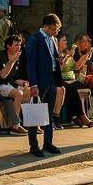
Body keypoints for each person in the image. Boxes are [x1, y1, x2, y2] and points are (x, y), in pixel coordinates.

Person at [24, 14, 63, 157]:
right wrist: (33, 84)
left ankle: (48, 142)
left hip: (52, 79)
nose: (55, 32)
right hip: (39, 82)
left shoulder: (53, 39)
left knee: (49, 113)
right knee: (35, 114)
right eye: (53, 29)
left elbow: (52, 58)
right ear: (46, 27)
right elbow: (31, 63)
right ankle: (34, 145)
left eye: (57, 30)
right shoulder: (34, 39)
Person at [0, 34, 37, 133]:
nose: (19, 47)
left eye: (20, 45)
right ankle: (14, 125)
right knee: (19, 94)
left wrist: (24, 82)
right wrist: (12, 61)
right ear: (8, 46)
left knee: (31, 93)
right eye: (16, 45)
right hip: (0, 85)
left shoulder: (18, 57)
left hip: (10, 85)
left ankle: (30, 124)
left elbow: (14, 78)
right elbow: (2, 76)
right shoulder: (1, 55)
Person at [55, 33, 93, 128]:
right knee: (74, 90)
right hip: (62, 79)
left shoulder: (68, 52)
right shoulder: (57, 54)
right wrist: (67, 57)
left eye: (66, 40)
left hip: (72, 78)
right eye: (63, 40)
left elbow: (75, 67)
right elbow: (59, 69)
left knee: (85, 89)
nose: (66, 42)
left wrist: (83, 60)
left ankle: (78, 117)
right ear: (58, 42)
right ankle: (81, 117)